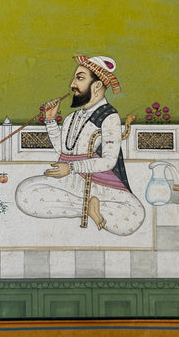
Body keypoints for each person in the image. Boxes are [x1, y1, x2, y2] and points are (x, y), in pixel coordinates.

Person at [15, 55, 145, 235]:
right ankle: (89, 208)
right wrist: (50, 120)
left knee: (134, 217)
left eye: (80, 78)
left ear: (97, 85)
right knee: (24, 193)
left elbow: (109, 161)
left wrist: (71, 168)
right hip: (68, 183)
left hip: (98, 183)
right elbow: (63, 150)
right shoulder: (72, 117)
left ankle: (91, 205)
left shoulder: (109, 117)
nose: (72, 84)